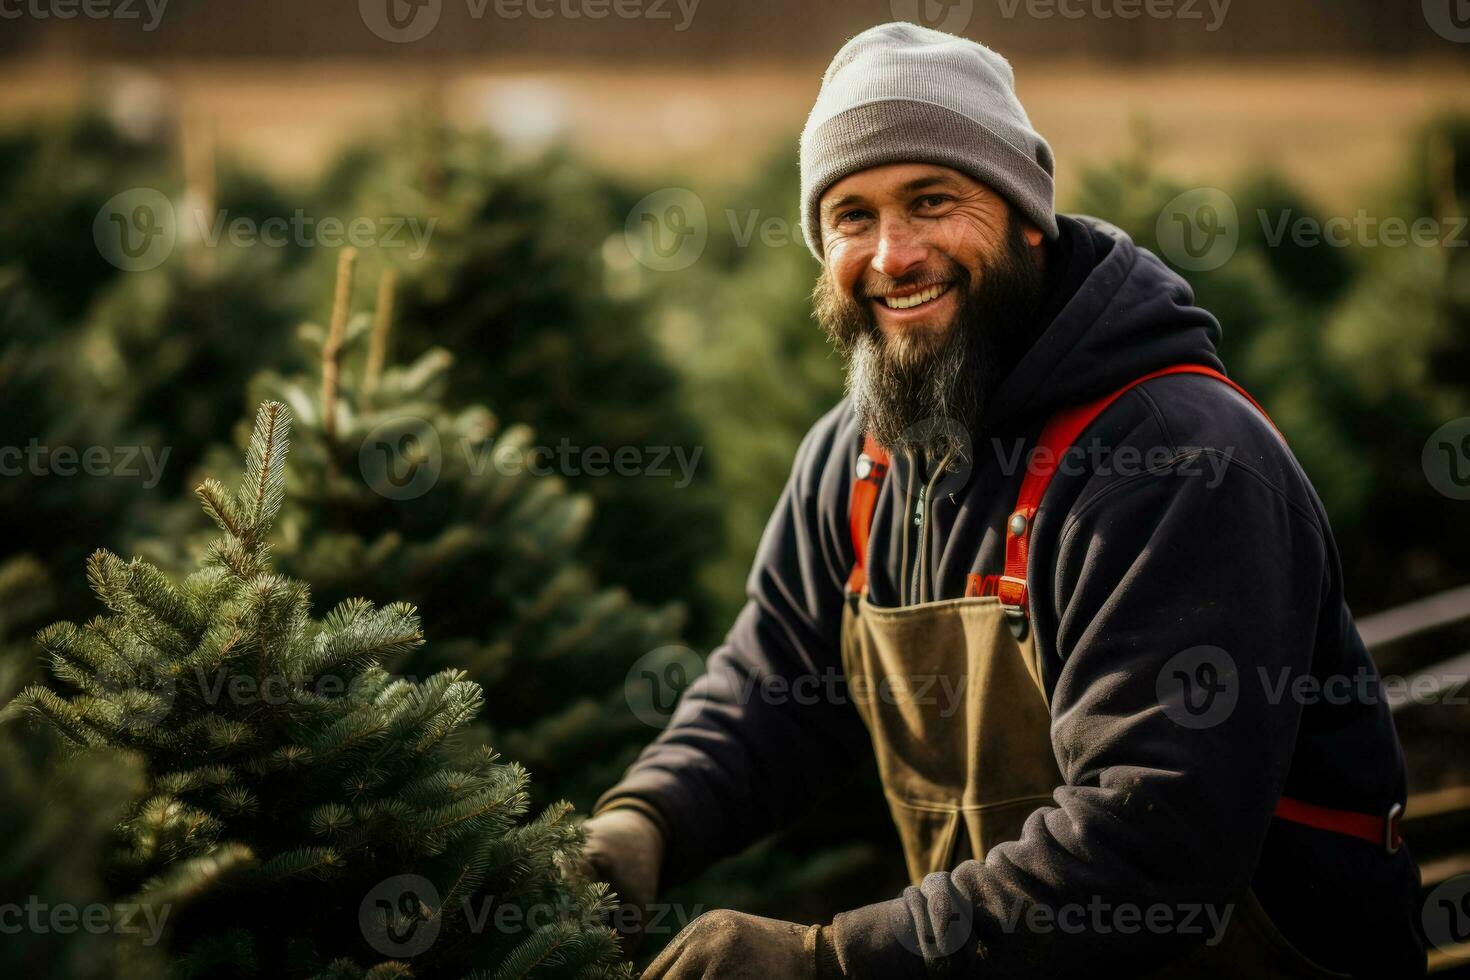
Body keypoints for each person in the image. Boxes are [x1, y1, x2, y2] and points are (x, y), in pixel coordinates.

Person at [575, 21, 1426, 979]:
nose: (893, 255)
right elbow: (774, 686)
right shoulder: (851, 466)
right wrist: (643, 821)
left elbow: (1155, 847)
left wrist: (828, 961)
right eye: (851, 216)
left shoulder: (1177, 462)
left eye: (932, 200)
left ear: (1027, 213)